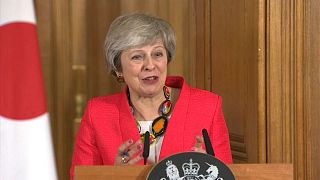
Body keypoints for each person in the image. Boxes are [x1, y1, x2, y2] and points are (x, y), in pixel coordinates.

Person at [70, 12, 232, 179]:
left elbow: (228, 175)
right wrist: (114, 176)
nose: (150, 65)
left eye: (157, 54)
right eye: (137, 57)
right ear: (118, 68)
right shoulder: (98, 113)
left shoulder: (207, 106)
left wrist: (209, 174)